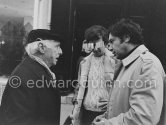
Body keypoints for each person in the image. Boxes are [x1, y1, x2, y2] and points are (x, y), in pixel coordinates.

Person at [93, 19, 166, 125]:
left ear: (126, 37)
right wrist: (105, 117)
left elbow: (143, 118)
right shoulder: (127, 63)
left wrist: (107, 123)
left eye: (112, 41)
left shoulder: (147, 64)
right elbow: (123, 106)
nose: (109, 47)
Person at [0, 29, 63, 125]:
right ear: (41, 47)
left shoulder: (35, 71)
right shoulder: (24, 77)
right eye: (57, 47)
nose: (61, 51)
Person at [71, 25, 115, 125]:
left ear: (106, 42)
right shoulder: (84, 62)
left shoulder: (115, 61)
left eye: (97, 43)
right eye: (92, 44)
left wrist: (111, 103)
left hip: (106, 114)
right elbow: (78, 87)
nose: (94, 47)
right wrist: (75, 104)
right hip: (86, 112)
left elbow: (121, 89)